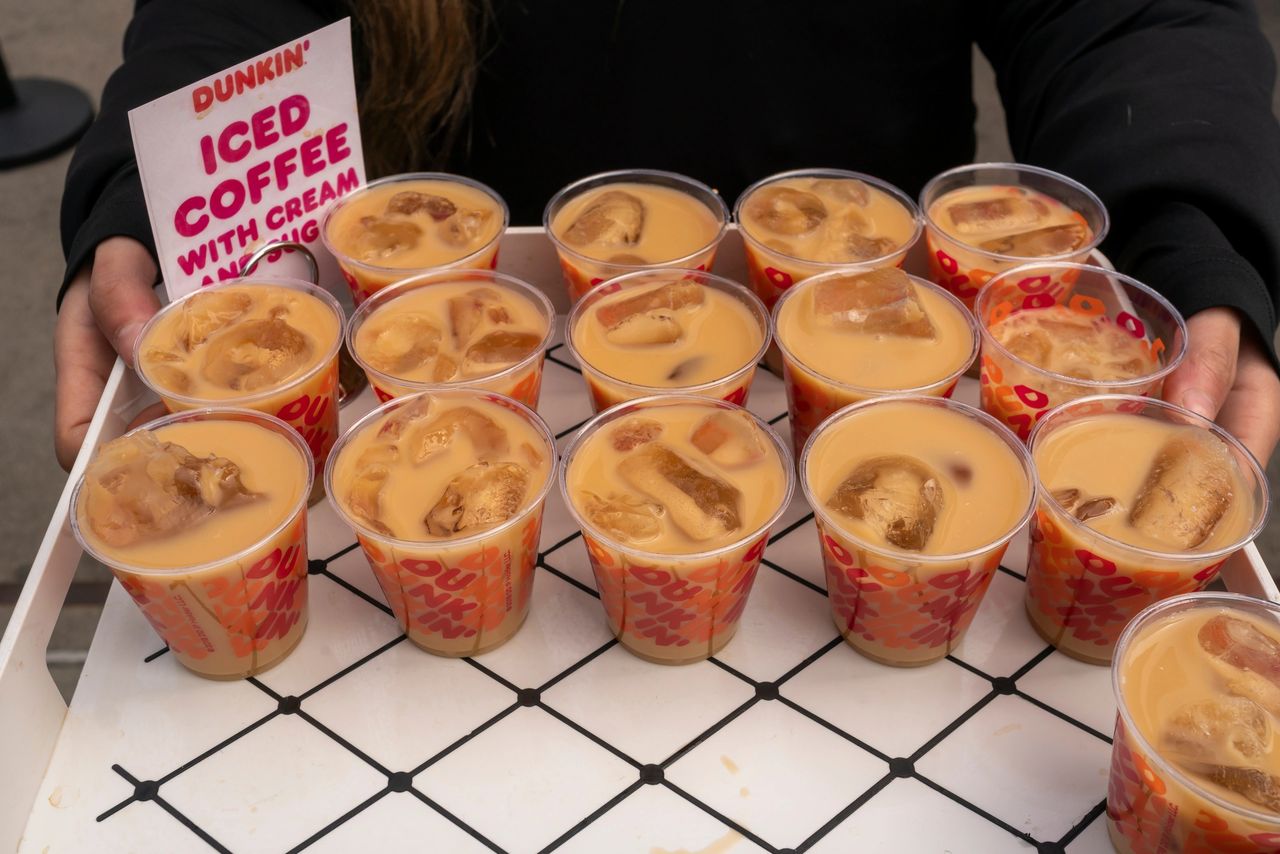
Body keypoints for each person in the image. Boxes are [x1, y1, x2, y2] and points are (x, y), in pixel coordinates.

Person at [55, 0, 1280, 470]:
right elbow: (227, 11)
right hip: (430, 384)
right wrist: (149, 203)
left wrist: (1185, 227)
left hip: (898, 362)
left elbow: (1126, 12)